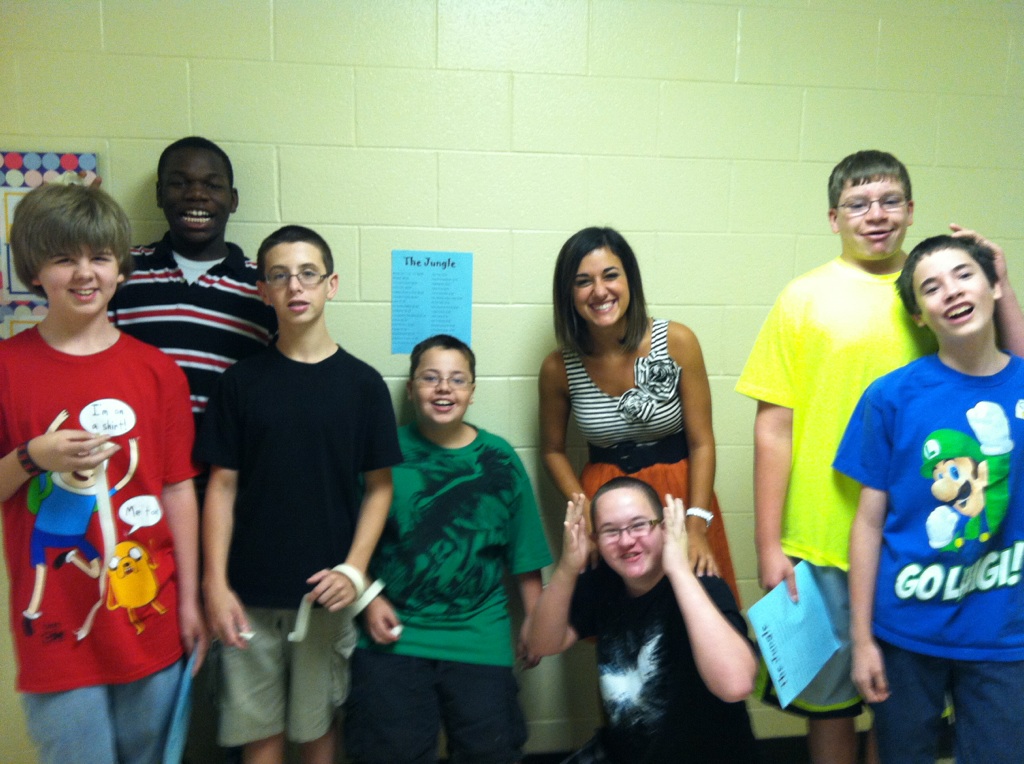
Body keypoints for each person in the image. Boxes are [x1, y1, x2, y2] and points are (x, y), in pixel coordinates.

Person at [735, 149, 1024, 763]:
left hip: (926, 542)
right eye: (858, 204)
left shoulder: (934, 288)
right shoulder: (803, 297)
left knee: (902, 712)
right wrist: (769, 544)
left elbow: (1013, 378)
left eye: (890, 201)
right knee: (830, 703)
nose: (876, 215)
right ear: (833, 218)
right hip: (822, 538)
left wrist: (1002, 281)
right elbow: (774, 429)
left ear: (911, 210)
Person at [0, 183, 205, 763]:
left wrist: (190, 601)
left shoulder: (158, 372)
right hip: (55, 633)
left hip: (149, 617)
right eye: (64, 258)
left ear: (119, 268)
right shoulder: (8, 368)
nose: (85, 273)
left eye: (100, 256)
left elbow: (178, 490)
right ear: (35, 271)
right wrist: (32, 457)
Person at [197, 225, 401, 764]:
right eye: (280, 276)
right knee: (259, 737)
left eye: (308, 274)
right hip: (247, 596)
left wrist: (354, 571)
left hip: (325, 595)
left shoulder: (363, 385)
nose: (295, 286)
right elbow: (221, 487)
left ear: (331, 284)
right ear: (262, 290)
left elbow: (379, 488)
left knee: (317, 731)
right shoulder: (240, 383)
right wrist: (214, 582)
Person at [837, 235, 1024, 763]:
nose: (953, 292)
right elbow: (868, 523)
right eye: (932, 287)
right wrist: (862, 640)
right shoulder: (890, 397)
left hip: (1003, 635)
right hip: (905, 631)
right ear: (919, 315)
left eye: (964, 275)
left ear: (993, 285)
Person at [344, 333, 552, 764]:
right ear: (410, 389)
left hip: (479, 638)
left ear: (472, 392)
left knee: (492, 753)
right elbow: (348, 546)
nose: (444, 389)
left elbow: (524, 553)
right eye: (430, 378)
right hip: (393, 637)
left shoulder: (500, 458)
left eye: (457, 379)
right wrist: (367, 600)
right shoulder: (381, 452)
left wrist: (535, 619)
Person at [539, 226, 738, 599]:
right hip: (606, 508)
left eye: (610, 275)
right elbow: (552, 451)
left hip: (680, 498)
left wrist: (697, 526)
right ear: (568, 293)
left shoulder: (677, 342)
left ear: (630, 279)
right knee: (618, 617)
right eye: (583, 281)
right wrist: (586, 511)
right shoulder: (558, 367)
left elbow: (702, 442)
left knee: (698, 609)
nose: (600, 291)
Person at [527, 476, 758, 764]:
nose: (626, 541)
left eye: (638, 525)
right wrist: (567, 567)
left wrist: (679, 571)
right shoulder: (602, 582)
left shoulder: (702, 583)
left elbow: (736, 685)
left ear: (664, 527)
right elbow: (541, 643)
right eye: (610, 531)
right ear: (595, 540)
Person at [108, 136, 276, 433]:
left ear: (233, 200)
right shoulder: (121, 271)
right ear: (159, 195)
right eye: (179, 183)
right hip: (139, 454)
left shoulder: (262, 285)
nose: (196, 194)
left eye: (213, 185)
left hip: (227, 457)